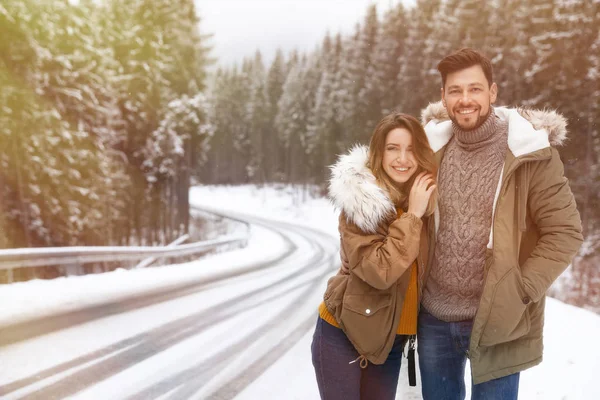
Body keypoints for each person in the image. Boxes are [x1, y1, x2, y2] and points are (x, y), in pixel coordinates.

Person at [417, 48, 584, 400]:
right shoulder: (428, 149)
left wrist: (521, 289)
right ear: (443, 97)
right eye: (455, 91)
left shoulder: (528, 152)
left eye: (475, 89)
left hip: (499, 319)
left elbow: (565, 231)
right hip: (434, 316)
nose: (465, 100)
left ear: (493, 92)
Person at [311, 112, 437, 400]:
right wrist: (413, 217)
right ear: (379, 152)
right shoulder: (361, 203)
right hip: (342, 335)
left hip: (389, 343)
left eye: (411, 149)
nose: (402, 159)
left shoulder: (423, 199)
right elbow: (380, 271)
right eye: (393, 148)